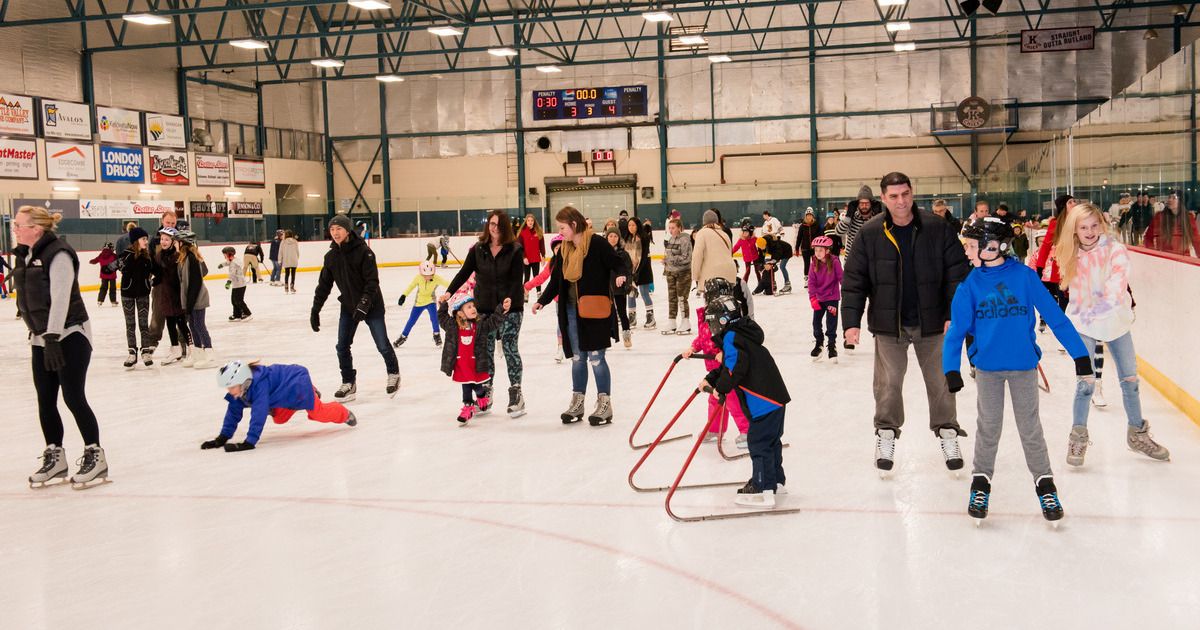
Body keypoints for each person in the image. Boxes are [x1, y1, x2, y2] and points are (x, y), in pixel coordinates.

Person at [943, 217, 1092, 525]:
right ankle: (980, 483)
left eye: (971, 246)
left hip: (1024, 367)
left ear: (992, 246)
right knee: (989, 427)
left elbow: (1055, 317)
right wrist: (951, 369)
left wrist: (1080, 356)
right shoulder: (969, 285)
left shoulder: (1024, 277)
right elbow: (956, 330)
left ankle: (1045, 484)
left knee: (1030, 428)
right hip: (988, 370)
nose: (967, 252)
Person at [841, 171, 970, 474]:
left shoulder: (937, 228)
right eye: (894, 196)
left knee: (940, 381)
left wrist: (953, 313)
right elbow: (854, 281)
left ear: (912, 193)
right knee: (887, 384)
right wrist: (851, 321)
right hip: (889, 324)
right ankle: (886, 433)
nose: (901, 201)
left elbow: (957, 274)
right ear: (883, 199)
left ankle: (947, 431)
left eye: (905, 194)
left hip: (934, 322)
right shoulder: (870, 233)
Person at [1055, 202, 1171, 466]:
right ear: (1075, 229)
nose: (1090, 231)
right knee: (1086, 383)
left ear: (1102, 224)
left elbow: (1117, 285)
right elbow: (1071, 291)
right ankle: (1078, 436)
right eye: (1083, 227)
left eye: (1094, 225)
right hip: (1083, 323)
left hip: (1115, 321)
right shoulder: (1070, 252)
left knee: (1130, 381)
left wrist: (1101, 307)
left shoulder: (1115, 250)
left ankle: (1136, 434)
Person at [12, 205, 108, 489]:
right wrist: (40, 336)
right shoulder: (25, 256)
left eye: (18, 225)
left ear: (36, 229)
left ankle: (95, 453)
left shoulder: (59, 254)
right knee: (45, 398)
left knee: (73, 396)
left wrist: (53, 337)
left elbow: (61, 297)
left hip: (70, 334)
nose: (14, 229)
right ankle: (55, 455)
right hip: (41, 337)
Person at [699, 278, 791, 508]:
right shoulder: (742, 334)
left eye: (712, 324)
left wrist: (720, 389)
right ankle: (775, 480)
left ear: (721, 321)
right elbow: (730, 365)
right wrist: (710, 379)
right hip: (775, 398)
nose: (711, 329)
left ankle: (763, 487)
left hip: (763, 401)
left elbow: (734, 369)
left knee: (758, 443)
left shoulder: (731, 338)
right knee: (771, 442)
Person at [533, 206, 628, 426]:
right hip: (570, 310)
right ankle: (578, 402)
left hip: (594, 310)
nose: (560, 232)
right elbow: (557, 278)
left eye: (562, 227)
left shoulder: (596, 244)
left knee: (596, 357)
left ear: (574, 225)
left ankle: (605, 404)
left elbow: (619, 263)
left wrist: (621, 276)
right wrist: (542, 300)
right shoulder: (564, 250)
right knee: (577, 357)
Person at [445, 210, 527, 417]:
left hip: (511, 308)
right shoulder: (478, 249)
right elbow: (464, 272)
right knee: (485, 350)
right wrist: (449, 292)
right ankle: (486, 389)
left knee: (509, 347)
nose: (494, 228)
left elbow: (518, 279)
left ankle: (516, 391)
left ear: (505, 227)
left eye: (499, 224)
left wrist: (509, 298)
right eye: (492, 223)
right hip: (484, 310)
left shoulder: (515, 249)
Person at [311, 214, 401, 402]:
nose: (335, 233)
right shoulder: (331, 257)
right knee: (342, 346)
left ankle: (393, 373)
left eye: (339, 229)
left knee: (382, 344)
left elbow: (372, 282)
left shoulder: (364, 252)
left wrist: (364, 304)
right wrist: (315, 309)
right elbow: (324, 285)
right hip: (349, 306)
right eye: (332, 229)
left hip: (372, 305)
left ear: (347, 230)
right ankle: (348, 382)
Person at [202, 360, 356, 453]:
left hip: (297, 384)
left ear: (242, 381)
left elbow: (259, 413)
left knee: (317, 413)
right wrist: (222, 438)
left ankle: (343, 413)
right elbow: (233, 412)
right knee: (279, 419)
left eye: (230, 387)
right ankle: (311, 392)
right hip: (281, 394)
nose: (229, 391)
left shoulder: (258, 386)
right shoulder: (240, 391)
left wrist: (250, 442)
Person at [682, 303, 749, 448]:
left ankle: (746, 431)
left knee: (733, 402)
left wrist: (723, 353)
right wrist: (692, 348)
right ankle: (714, 429)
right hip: (714, 371)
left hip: (727, 371)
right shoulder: (706, 317)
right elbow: (702, 339)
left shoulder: (723, 318)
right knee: (714, 401)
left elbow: (731, 341)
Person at [440, 294, 512, 424]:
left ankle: (481, 395)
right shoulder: (453, 326)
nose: (473, 308)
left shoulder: (480, 325)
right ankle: (467, 408)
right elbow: (442, 318)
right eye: (469, 307)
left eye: (473, 306)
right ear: (460, 313)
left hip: (476, 364)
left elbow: (493, 322)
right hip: (461, 364)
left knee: (477, 386)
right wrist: (443, 305)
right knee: (466, 386)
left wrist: (501, 309)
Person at [118, 227, 156, 369]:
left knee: (143, 324)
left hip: (143, 294)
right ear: (136, 241)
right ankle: (132, 352)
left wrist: (151, 282)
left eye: (146, 239)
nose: (146, 241)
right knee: (130, 324)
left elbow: (156, 272)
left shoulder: (148, 256)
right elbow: (113, 267)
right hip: (127, 294)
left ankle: (145, 351)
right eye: (143, 239)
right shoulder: (126, 255)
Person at [176, 230, 215, 368]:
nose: (175, 244)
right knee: (192, 325)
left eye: (177, 241)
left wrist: (189, 304)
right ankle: (198, 354)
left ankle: (210, 355)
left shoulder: (191, 258)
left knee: (199, 325)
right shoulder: (185, 258)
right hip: (191, 300)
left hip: (197, 299)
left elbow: (195, 283)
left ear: (182, 243)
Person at [153, 228, 191, 366]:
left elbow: (180, 276)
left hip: (177, 295)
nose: (163, 242)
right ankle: (175, 349)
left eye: (167, 239)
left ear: (173, 242)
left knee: (181, 323)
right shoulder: (158, 256)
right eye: (162, 239)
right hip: (166, 294)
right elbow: (158, 273)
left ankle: (193, 349)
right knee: (169, 323)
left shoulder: (177, 256)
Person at [145, 210, 179, 356]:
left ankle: (182, 342)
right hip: (160, 283)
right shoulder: (154, 241)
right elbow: (150, 261)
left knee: (180, 313)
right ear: (162, 222)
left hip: (176, 283)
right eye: (167, 223)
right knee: (158, 311)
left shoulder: (180, 238)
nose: (170, 225)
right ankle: (152, 340)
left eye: (173, 223)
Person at [394, 260, 449, 348]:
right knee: (411, 321)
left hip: (431, 301)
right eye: (425, 275)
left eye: (430, 275)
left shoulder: (437, 278)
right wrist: (404, 295)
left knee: (434, 319)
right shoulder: (418, 278)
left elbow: (448, 284)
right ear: (421, 274)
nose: (427, 277)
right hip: (419, 303)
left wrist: (459, 287)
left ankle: (436, 335)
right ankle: (403, 336)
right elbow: (411, 286)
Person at [807, 235, 842, 362]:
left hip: (832, 298)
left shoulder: (835, 262)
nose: (818, 253)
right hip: (819, 298)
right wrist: (813, 298)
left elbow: (841, 278)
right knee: (816, 322)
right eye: (816, 250)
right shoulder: (813, 263)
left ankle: (832, 346)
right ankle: (819, 343)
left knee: (831, 323)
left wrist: (849, 292)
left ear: (827, 250)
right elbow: (811, 282)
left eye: (821, 250)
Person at [1143, 191, 1200, 257]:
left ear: (1181, 201)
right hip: (1165, 258)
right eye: (1169, 197)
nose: (1170, 200)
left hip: (1183, 259)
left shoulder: (1188, 217)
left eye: (1174, 198)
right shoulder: (1159, 217)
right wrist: (1153, 253)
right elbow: (1148, 237)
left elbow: (1196, 240)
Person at [621, 217, 655, 329]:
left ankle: (650, 317)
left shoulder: (644, 238)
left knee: (645, 293)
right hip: (631, 271)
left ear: (638, 226)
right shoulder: (627, 239)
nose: (631, 227)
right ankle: (632, 317)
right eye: (629, 225)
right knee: (630, 294)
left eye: (633, 225)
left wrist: (638, 271)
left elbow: (644, 256)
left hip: (643, 270)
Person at [691, 209, 737, 290]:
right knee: (726, 300)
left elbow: (697, 255)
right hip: (730, 272)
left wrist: (695, 275)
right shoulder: (724, 234)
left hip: (712, 275)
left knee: (712, 301)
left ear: (704, 222)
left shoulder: (701, 233)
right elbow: (729, 253)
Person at [661, 217, 693, 334]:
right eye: (669, 228)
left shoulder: (685, 239)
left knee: (682, 298)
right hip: (670, 272)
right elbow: (670, 255)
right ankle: (672, 321)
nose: (671, 230)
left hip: (683, 273)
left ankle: (685, 321)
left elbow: (686, 258)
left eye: (673, 228)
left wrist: (671, 259)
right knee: (672, 298)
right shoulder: (670, 239)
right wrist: (666, 260)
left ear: (679, 228)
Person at [836, 185, 882, 258]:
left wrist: (879, 217)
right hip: (852, 260)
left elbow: (883, 238)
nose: (864, 206)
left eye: (867, 203)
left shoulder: (877, 218)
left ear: (871, 204)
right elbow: (838, 231)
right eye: (861, 203)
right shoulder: (852, 217)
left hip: (872, 260)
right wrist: (848, 216)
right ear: (858, 204)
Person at [218, 246, 252, 322]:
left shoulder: (234, 263)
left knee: (239, 300)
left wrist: (228, 282)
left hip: (240, 284)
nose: (224, 256)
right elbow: (228, 262)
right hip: (236, 284)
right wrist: (222, 264)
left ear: (229, 254)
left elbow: (232, 274)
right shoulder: (232, 260)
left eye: (225, 254)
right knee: (234, 300)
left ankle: (247, 313)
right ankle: (237, 315)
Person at [517, 213, 546, 293]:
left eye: (532, 220)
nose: (530, 222)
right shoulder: (522, 233)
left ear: (534, 222)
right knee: (526, 277)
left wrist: (543, 256)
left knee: (536, 277)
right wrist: (524, 257)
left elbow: (542, 246)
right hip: (526, 259)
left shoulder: (538, 232)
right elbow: (520, 247)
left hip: (536, 259)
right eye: (528, 220)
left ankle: (539, 293)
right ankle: (525, 294)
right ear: (526, 222)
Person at [795, 208, 821, 280]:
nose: (809, 217)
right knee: (807, 264)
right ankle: (807, 279)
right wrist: (797, 248)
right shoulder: (802, 226)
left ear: (813, 216)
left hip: (815, 249)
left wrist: (820, 247)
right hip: (805, 248)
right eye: (807, 215)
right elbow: (799, 238)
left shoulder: (816, 225)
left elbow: (820, 236)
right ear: (805, 216)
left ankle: (816, 278)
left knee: (815, 264)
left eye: (810, 215)